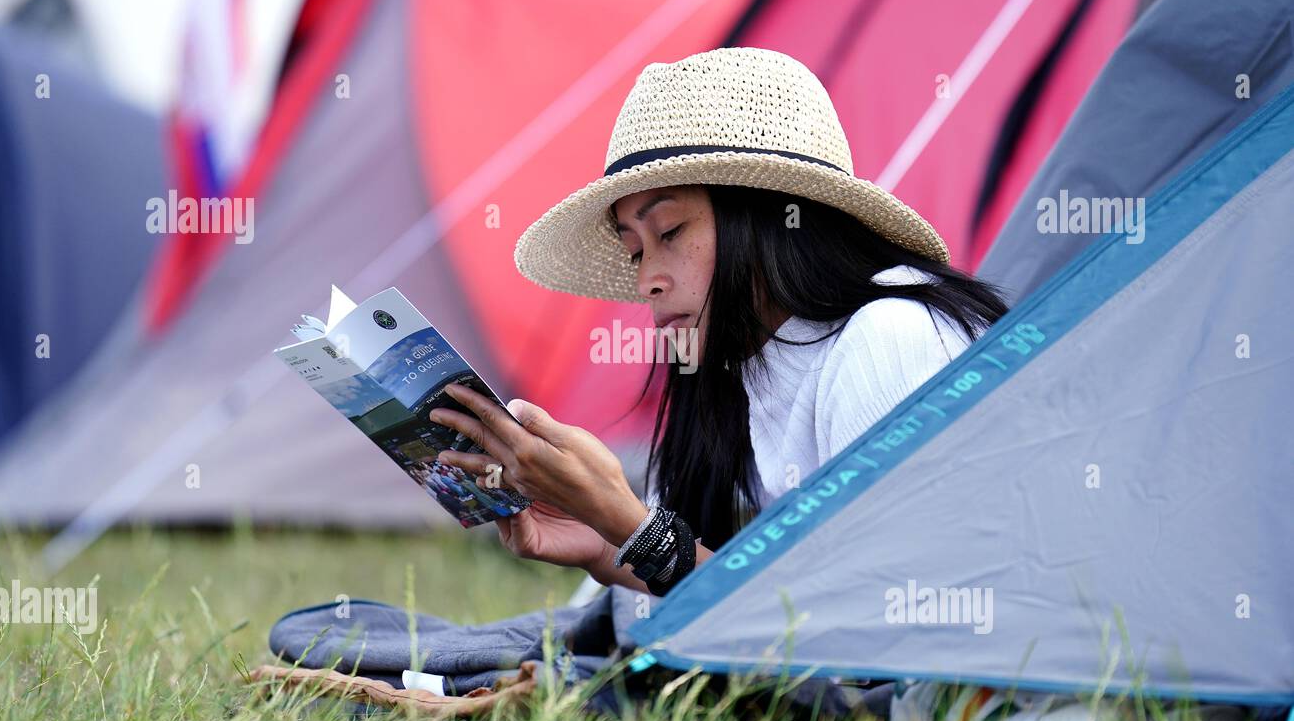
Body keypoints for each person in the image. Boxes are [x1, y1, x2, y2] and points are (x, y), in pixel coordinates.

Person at [428, 47, 1007, 598]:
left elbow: (874, 630)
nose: (646, 280)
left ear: (769, 220)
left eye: (671, 232)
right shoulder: (743, 362)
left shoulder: (890, 341)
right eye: (635, 251)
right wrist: (602, 545)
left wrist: (628, 521)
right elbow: (773, 605)